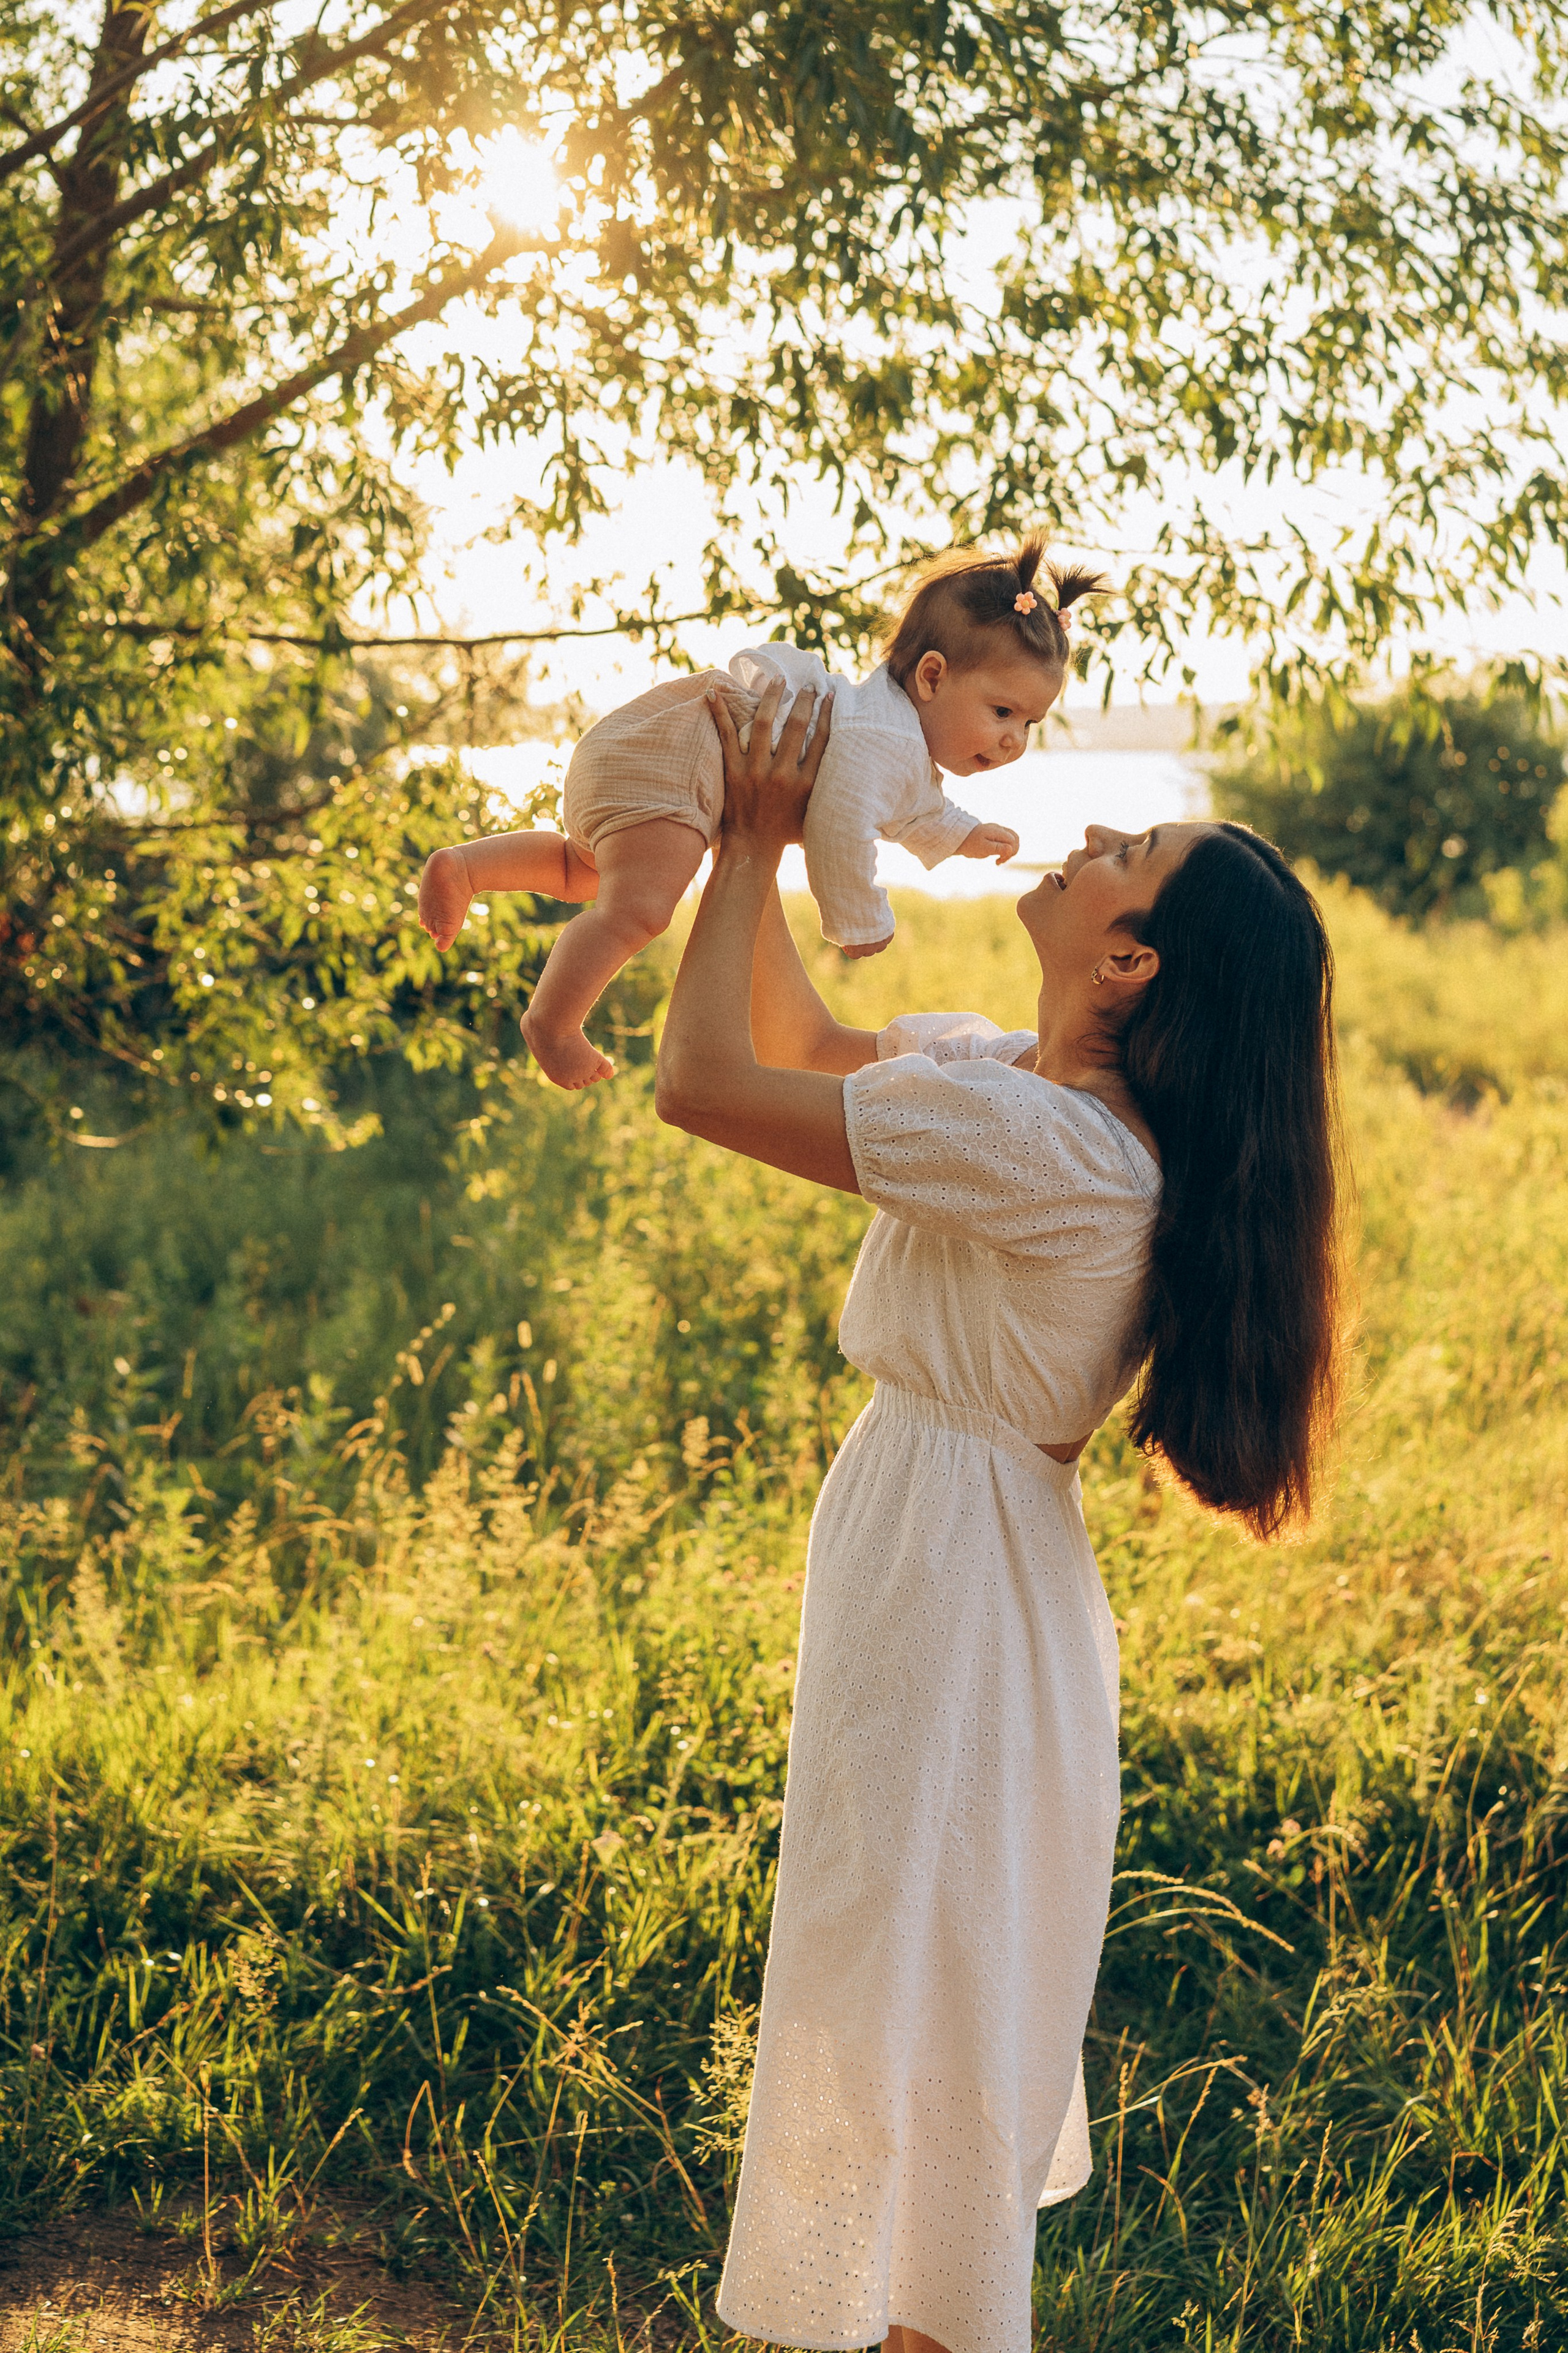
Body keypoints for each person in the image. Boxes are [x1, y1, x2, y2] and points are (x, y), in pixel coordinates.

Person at [654, 680, 1343, 2353]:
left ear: (1131, 966)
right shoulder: (1010, 1089)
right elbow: (808, 1045)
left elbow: (700, 1082)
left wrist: (745, 845)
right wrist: (769, 839)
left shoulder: (1057, 1151)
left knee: (904, 1977)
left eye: (1132, 850)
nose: (1094, 833)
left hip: (956, 1582)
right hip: (946, 1552)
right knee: (907, 1974)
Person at [417, 540, 1102, 1089]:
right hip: (679, 754)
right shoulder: (884, 740)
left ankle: (468, 867)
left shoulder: (892, 739)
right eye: (1002, 712)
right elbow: (840, 825)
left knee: (585, 870)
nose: (1013, 738)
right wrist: (859, 918)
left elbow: (908, 808)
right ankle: (554, 1024)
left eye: (1030, 723)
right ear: (930, 677)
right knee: (640, 912)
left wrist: (960, 834)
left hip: (647, 748)